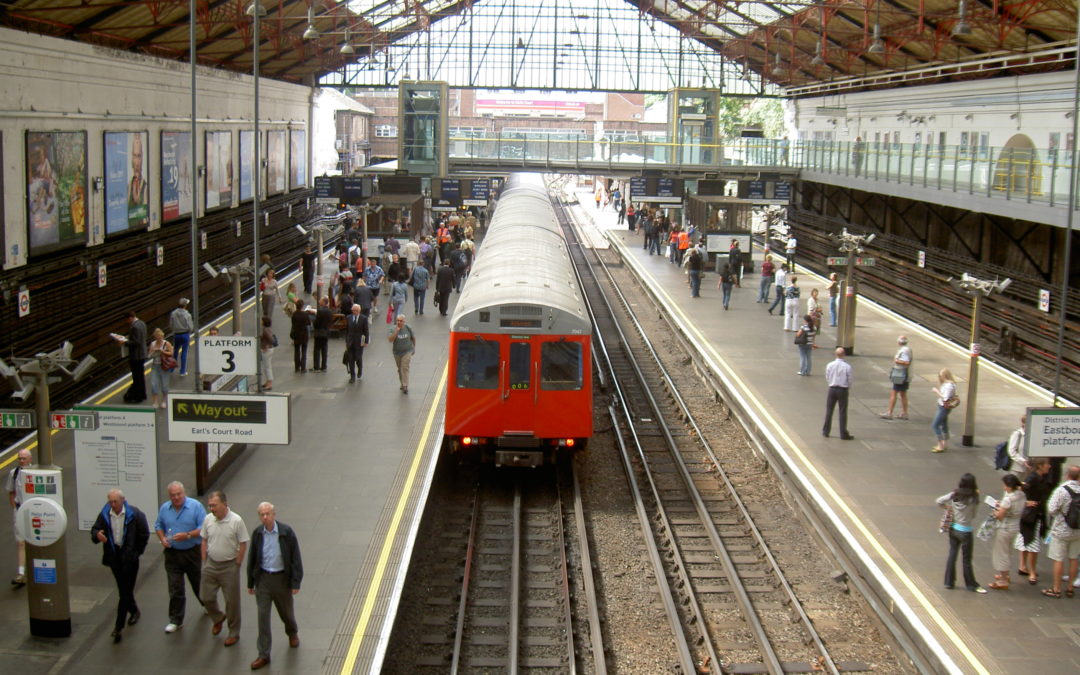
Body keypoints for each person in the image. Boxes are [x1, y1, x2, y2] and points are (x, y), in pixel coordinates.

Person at [247, 502, 303, 670]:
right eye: (262, 515)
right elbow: (252, 558)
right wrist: (251, 582)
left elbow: (295, 558)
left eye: (268, 514)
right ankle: (263, 653)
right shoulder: (258, 534)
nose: (265, 517)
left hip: (281, 579)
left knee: (286, 611)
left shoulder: (286, 532)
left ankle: (292, 632)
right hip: (264, 579)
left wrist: (295, 582)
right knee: (262, 616)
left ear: (274, 514)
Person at [91, 489, 150, 643]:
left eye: (115, 501)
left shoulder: (135, 514)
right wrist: (97, 535)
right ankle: (134, 610)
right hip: (114, 556)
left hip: (130, 558)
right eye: (110, 501)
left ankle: (118, 627)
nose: (112, 504)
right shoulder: (105, 514)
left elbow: (144, 534)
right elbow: (95, 529)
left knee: (124, 592)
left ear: (123, 500)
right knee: (124, 589)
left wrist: (137, 552)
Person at [155, 481, 206, 634]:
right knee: (175, 587)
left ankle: (207, 603)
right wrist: (163, 538)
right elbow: (158, 526)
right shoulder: (165, 508)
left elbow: (204, 527)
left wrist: (188, 535)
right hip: (172, 553)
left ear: (184, 493)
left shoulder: (195, 506)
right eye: (173, 495)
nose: (176, 498)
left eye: (179, 494)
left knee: (197, 581)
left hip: (191, 551)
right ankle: (176, 620)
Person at [200, 491, 249, 646]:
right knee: (206, 597)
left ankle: (234, 632)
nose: (211, 508)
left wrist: (237, 564)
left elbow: (243, 543)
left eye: (214, 505)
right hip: (211, 564)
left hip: (229, 566)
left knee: (232, 601)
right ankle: (218, 617)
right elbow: (204, 540)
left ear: (224, 504)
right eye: (210, 505)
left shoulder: (236, 521)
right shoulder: (208, 519)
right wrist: (204, 561)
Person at [936, 473, 988, 593]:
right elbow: (974, 515)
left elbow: (939, 501)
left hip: (953, 529)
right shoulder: (973, 498)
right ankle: (971, 585)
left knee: (952, 555)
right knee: (966, 559)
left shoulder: (955, 494)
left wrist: (947, 508)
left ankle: (948, 582)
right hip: (966, 531)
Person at [1041, 465, 1080, 599]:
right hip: (1077, 530)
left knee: (1058, 559)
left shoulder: (1061, 490)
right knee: (1074, 558)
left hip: (1061, 530)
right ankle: (1070, 588)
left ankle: (1056, 588)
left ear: (1067, 475)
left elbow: (1051, 509)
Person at [1017, 458, 1052, 585]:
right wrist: (1026, 502)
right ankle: (1032, 571)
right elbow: (1019, 490)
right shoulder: (1032, 478)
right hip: (1032, 515)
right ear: (1040, 466)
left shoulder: (1040, 477)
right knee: (1032, 542)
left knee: (1025, 539)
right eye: (1047, 464)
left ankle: (1023, 566)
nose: (1049, 466)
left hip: (1033, 514)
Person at [988, 474, 1026, 590]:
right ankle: (1005, 575)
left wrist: (995, 511)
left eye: (1005, 486)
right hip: (1015, 527)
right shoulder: (1021, 494)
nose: (1004, 488)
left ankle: (1003, 580)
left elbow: (1000, 516)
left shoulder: (1008, 499)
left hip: (1005, 528)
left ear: (1009, 487)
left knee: (1001, 553)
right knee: (1007, 551)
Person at [5, 449, 32, 587]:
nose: (21, 461)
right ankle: (21, 573)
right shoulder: (13, 473)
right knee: (20, 542)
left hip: (33, 510)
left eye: (24, 458)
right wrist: (14, 508)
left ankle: (35, 570)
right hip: (19, 509)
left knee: (34, 541)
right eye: (19, 458)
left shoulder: (35, 473)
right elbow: (11, 492)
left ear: (30, 459)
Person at [113, 310, 148, 404]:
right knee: (140, 376)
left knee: (137, 377)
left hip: (136, 355)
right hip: (142, 353)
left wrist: (124, 342)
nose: (127, 322)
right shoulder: (142, 323)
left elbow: (136, 342)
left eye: (127, 320)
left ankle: (136, 396)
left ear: (130, 318)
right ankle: (141, 395)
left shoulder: (135, 327)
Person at [822, 347, 854, 440]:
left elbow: (827, 376)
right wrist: (848, 387)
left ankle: (826, 431)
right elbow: (850, 379)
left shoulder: (830, 365)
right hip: (843, 389)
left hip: (832, 389)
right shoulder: (847, 366)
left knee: (829, 410)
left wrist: (830, 383)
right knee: (842, 411)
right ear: (844, 354)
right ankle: (843, 433)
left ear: (835, 354)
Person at [881, 336, 913, 420]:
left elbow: (906, 362)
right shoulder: (907, 349)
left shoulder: (904, 351)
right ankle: (904, 413)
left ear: (899, 342)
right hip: (905, 375)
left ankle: (889, 413)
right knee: (903, 394)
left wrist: (896, 360)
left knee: (894, 393)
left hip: (900, 375)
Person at [931, 368, 957, 453]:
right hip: (943, 407)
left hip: (943, 407)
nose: (940, 377)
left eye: (941, 376)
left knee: (935, 425)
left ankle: (940, 445)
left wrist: (936, 391)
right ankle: (945, 443)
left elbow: (945, 398)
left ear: (945, 376)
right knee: (944, 424)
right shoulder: (950, 384)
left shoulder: (949, 385)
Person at [387, 314, 415, 394]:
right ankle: (402, 383)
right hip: (397, 352)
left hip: (407, 351)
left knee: (404, 367)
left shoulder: (408, 328)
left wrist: (414, 348)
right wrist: (397, 331)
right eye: (397, 321)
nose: (399, 322)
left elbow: (413, 337)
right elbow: (390, 340)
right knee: (399, 369)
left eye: (401, 321)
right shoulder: (392, 329)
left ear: (404, 321)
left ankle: (405, 385)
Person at [148, 327, 174, 410]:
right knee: (154, 383)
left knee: (164, 384)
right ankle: (155, 401)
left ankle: (164, 401)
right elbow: (149, 355)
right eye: (157, 337)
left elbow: (171, 353)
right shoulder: (152, 344)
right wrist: (153, 352)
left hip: (164, 366)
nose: (159, 339)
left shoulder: (166, 343)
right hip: (155, 366)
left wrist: (163, 352)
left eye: (160, 337)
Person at [344, 304, 369, 383]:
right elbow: (347, 330)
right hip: (350, 342)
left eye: (356, 310)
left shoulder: (363, 318)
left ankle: (360, 370)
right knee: (350, 359)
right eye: (353, 310)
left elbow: (366, 331)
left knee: (358, 358)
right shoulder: (348, 318)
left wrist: (366, 341)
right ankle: (352, 376)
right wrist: (346, 340)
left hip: (359, 342)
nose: (354, 312)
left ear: (359, 311)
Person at [168, 297, 193, 376]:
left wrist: (174, 330)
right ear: (185, 305)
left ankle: (171, 369)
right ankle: (182, 371)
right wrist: (189, 332)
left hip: (176, 335)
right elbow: (190, 327)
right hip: (185, 335)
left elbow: (171, 325)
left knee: (175, 352)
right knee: (184, 353)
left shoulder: (173, 313)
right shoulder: (187, 314)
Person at [311, 297, 332, 373]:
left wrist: (314, 324)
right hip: (326, 332)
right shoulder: (330, 311)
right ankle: (324, 367)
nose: (319, 302)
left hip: (319, 332)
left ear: (324, 302)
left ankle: (316, 367)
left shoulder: (320, 311)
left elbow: (317, 322)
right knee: (324, 349)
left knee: (317, 350)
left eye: (320, 301)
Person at [290, 298, 311, 373]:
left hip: (296, 334)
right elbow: (308, 323)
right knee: (304, 351)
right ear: (302, 306)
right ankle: (303, 367)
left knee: (296, 351)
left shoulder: (294, 314)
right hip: (304, 334)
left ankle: (297, 367)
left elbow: (293, 323)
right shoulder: (305, 314)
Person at [259, 317, 275, 390]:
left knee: (267, 367)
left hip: (267, 351)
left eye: (261, 321)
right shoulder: (267, 329)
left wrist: (266, 346)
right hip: (268, 350)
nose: (260, 322)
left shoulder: (266, 330)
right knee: (266, 367)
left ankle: (269, 384)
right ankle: (267, 382)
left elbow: (271, 340)